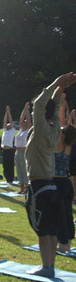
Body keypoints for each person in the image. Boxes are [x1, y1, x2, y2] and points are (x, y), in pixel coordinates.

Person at [25, 72, 76, 277]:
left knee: (43, 230)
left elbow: (39, 104)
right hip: (52, 186)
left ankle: (46, 267)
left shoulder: (40, 129)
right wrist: (60, 90)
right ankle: (50, 267)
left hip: (38, 186)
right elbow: (51, 109)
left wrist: (56, 83)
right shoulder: (55, 129)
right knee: (52, 229)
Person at [55, 97, 76, 253]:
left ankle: (63, 246)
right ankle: (67, 241)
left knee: (60, 215)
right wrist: (63, 106)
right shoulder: (69, 143)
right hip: (67, 183)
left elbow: (59, 124)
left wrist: (61, 106)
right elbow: (66, 126)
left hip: (58, 183)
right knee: (67, 213)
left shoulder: (59, 146)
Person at [14, 102, 31, 194]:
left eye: (25, 123)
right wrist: (24, 110)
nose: (23, 124)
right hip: (17, 151)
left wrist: (27, 111)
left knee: (24, 170)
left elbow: (28, 120)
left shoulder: (28, 130)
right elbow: (21, 119)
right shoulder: (21, 130)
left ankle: (26, 189)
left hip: (24, 152)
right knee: (19, 170)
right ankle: (21, 188)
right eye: (23, 123)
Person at [1, 106, 16, 184]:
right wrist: (6, 112)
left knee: (10, 165)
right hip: (4, 150)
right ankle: (7, 179)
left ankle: (11, 179)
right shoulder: (5, 130)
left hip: (10, 150)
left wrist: (9, 112)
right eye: (7, 125)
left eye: (9, 124)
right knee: (5, 166)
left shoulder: (12, 131)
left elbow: (10, 120)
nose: (7, 125)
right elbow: (4, 121)